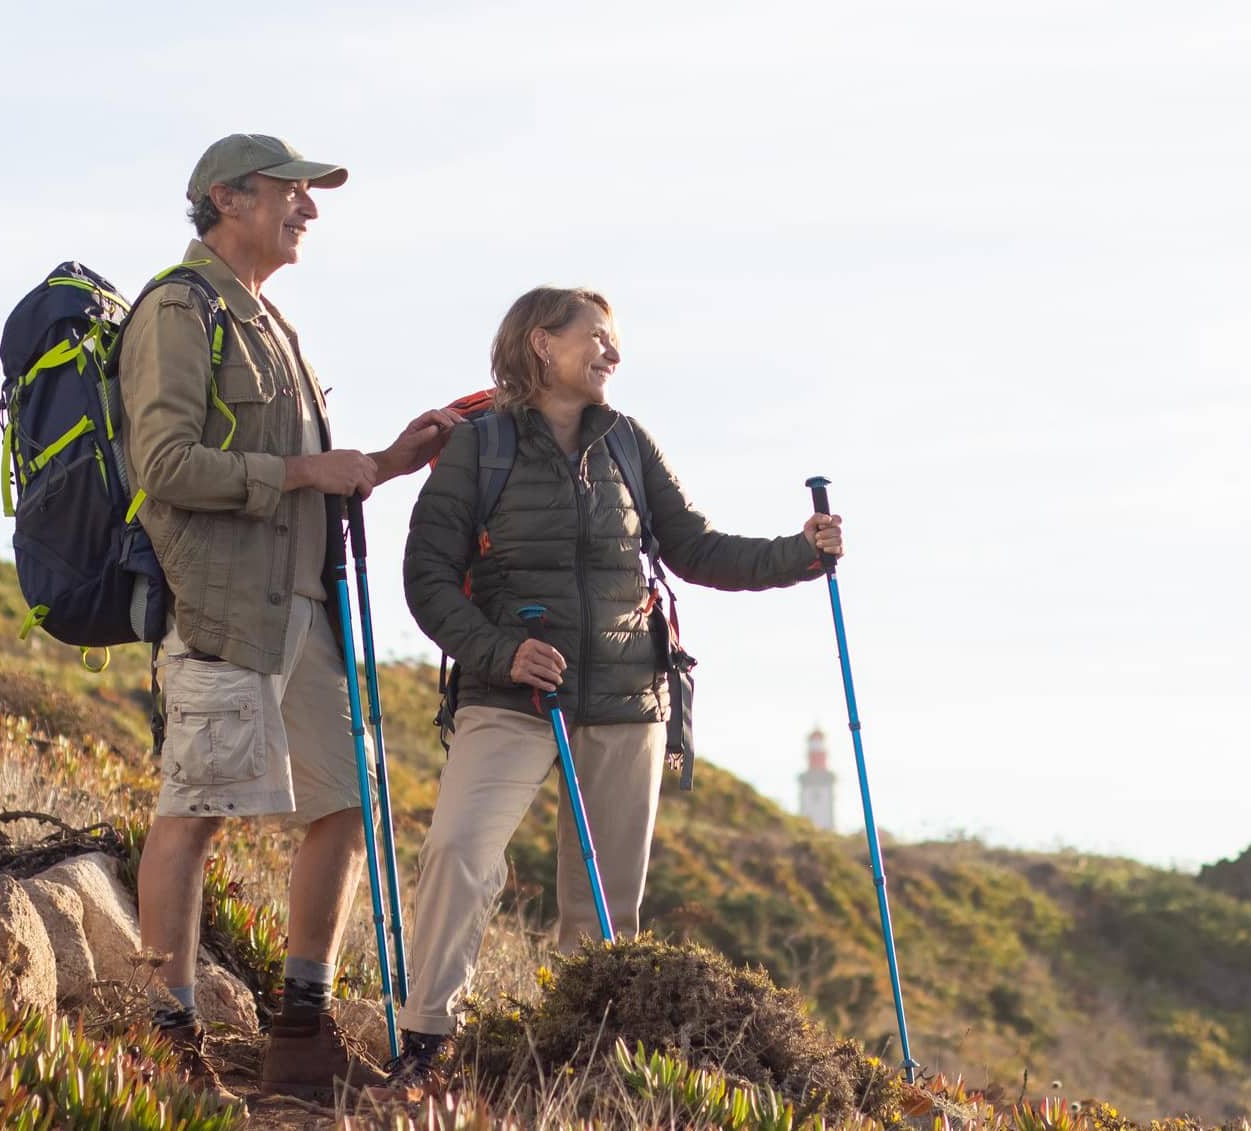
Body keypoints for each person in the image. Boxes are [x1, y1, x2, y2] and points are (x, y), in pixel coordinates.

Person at [383, 286, 845, 1091]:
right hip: (507, 697)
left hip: (630, 699)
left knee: (602, 913)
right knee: (459, 849)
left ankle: (574, 1062)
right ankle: (428, 1041)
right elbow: (426, 578)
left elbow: (696, 546)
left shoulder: (629, 442)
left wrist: (799, 553)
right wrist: (499, 651)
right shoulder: (478, 447)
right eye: (596, 337)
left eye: (614, 340)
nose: (613, 353)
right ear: (539, 344)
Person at [115, 132, 461, 1100]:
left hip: (302, 612)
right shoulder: (178, 312)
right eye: (291, 192)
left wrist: (385, 463)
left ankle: (299, 1039)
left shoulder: (269, 323)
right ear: (227, 199)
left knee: (345, 807)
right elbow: (166, 468)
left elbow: (300, 479)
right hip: (220, 609)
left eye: (311, 195)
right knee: (196, 813)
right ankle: (165, 1041)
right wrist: (308, 469)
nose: (308, 208)